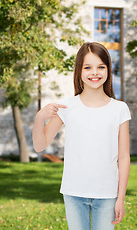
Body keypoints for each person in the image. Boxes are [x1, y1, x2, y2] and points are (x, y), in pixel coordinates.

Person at [32, 42, 131, 230]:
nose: (95, 73)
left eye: (101, 67)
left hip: (107, 193)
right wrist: (39, 118)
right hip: (74, 191)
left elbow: (124, 157)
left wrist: (121, 198)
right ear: (79, 71)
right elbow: (40, 145)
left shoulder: (119, 109)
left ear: (108, 70)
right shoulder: (67, 107)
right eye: (88, 67)